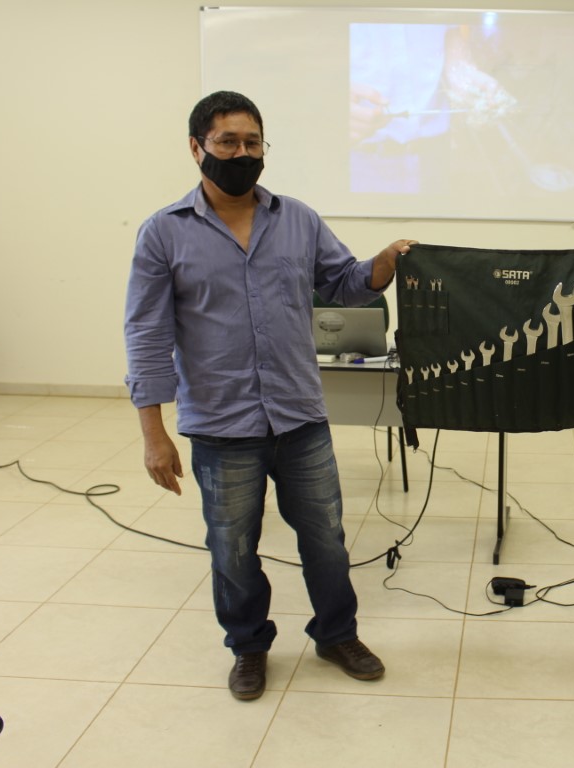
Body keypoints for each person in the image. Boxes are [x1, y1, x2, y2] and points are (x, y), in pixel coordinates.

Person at [124, 90, 414, 701]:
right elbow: (146, 335)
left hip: (299, 416)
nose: (242, 154)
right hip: (220, 425)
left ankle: (336, 634)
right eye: (227, 142)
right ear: (196, 147)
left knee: (326, 540)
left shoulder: (298, 219)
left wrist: (384, 261)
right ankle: (249, 645)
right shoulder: (163, 233)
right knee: (232, 549)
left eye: (252, 142)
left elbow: (344, 283)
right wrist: (153, 434)